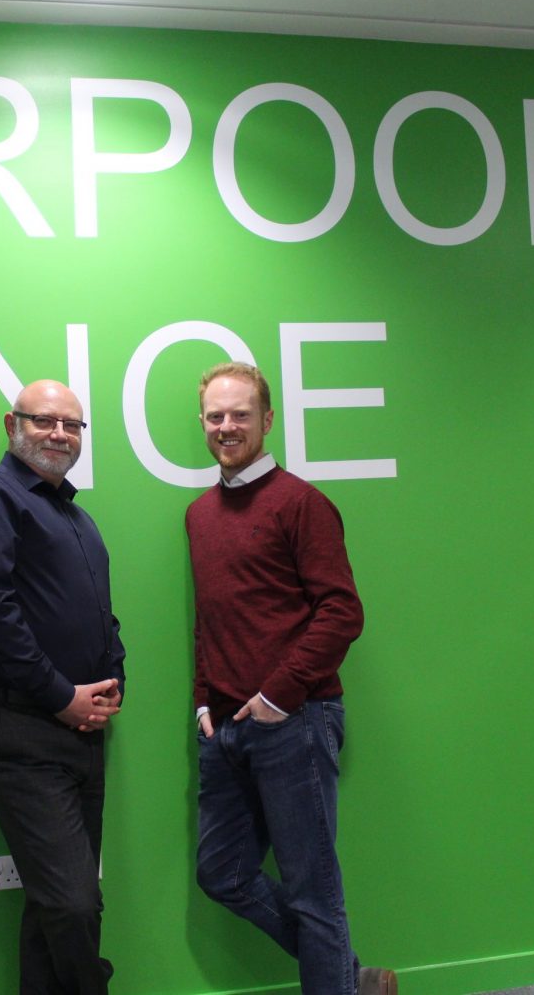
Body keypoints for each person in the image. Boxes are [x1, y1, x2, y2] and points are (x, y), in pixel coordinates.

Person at [185, 362, 397, 995]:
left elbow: (342, 612)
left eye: (240, 414)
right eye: (216, 416)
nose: (227, 426)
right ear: (202, 423)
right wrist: (202, 698)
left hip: (295, 721)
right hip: (223, 729)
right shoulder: (199, 515)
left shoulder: (302, 503)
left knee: (314, 894)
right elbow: (211, 615)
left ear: (268, 420)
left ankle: (341, 981)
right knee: (221, 874)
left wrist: (279, 694)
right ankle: (352, 979)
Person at [0, 379, 126, 995]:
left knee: (56, 903)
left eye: (72, 425)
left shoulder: (76, 515)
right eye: (45, 421)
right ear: (10, 424)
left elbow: (102, 613)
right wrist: (61, 696)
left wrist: (112, 679)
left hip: (79, 731)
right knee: (73, 904)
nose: (60, 435)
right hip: (19, 726)